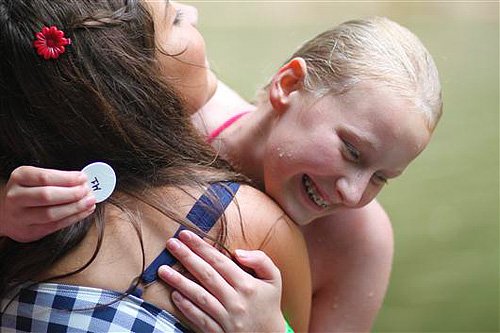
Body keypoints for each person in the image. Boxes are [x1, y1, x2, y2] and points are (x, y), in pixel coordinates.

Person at [0, 3, 442, 332]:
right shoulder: (172, 115)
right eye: (351, 151)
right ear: (288, 85)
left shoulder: (361, 241)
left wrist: (274, 329)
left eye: (383, 177)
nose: (353, 193)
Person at [0, 0, 311, 332]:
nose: (192, 12)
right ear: (131, 81)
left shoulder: (14, 217)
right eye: (175, 19)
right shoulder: (249, 226)